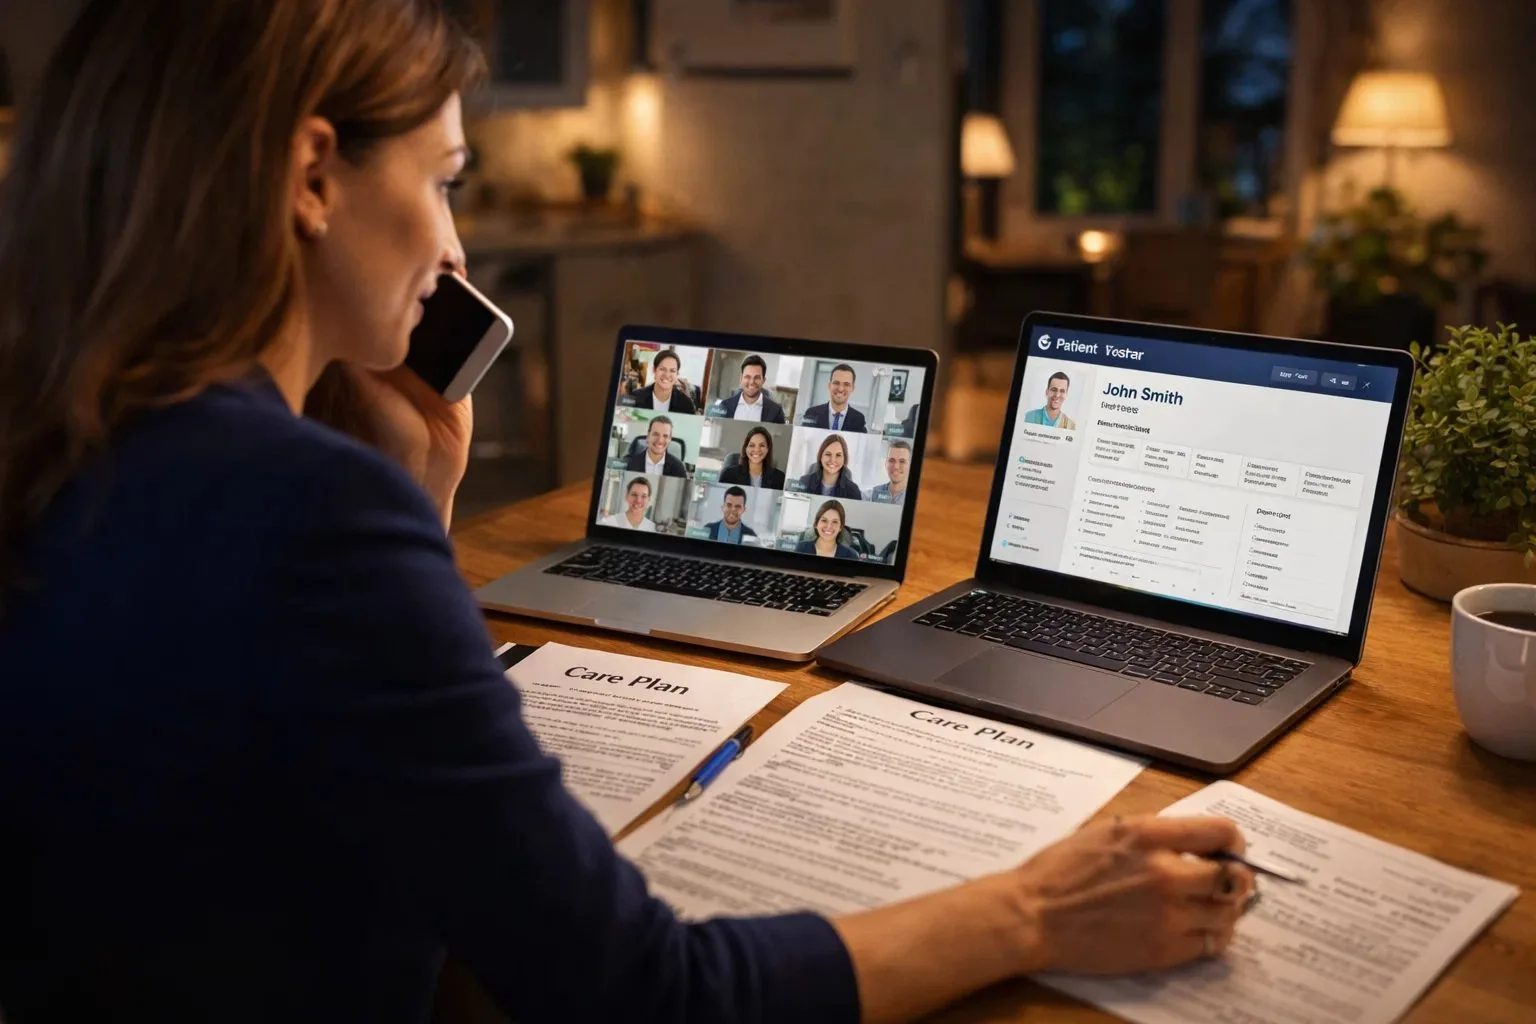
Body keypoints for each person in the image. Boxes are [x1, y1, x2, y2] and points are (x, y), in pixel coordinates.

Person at [0, 3, 1256, 1021]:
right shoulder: (308, 510)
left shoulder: (69, 433)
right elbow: (644, 989)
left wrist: (420, 514)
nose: (453, 251)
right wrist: (1036, 910)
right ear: (314, 174)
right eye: (443, 181)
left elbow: (285, 744)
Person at [712, 354, 787, 423]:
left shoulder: (776, 411)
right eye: (747, 377)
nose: (751, 382)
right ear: (741, 378)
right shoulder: (724, 406)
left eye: (757, 377)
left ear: (763, 380)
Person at [627, 348, 697, 414]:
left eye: (672, 371)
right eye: (663, 369)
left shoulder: (686, 404)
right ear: (654, 370)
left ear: (677, 374)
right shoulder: (634, 398)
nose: (667, 375)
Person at [800, 363, 867, 432]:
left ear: (853, 388)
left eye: (846, 384)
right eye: (836, 383)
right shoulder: (811, 413)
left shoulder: (859, 419)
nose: (840, 389)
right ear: (829, 385)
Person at [718, 425, 786, 490]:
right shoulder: (729, 475)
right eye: (752, 445)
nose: (756, 450)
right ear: (745, 448)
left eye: (762, 445)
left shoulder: (779, 478)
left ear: (768, 449)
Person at [797, 433, 863, 500]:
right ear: (821, 456)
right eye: (828, 454)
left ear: (844, 458)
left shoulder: (853, 491)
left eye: (838, 455)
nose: (832, 460)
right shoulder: (804, 482)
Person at [623, 415, 688, 478]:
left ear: (670, 439)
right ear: (648, 435)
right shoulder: (632, 463)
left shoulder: (679, 468)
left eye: (665, 436)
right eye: (655, 434)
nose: (660, 440)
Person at [794, 500, 861, 559]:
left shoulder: (851, 556)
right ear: (816, 524)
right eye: (824, 520)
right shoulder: (801, 548)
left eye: (835, 522)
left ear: (840, 527)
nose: (829, 526)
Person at [870, 440, 911, 505]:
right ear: (886, 464)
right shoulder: (874, 492)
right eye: (891, 460)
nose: (896, 467)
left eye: (902, 461)